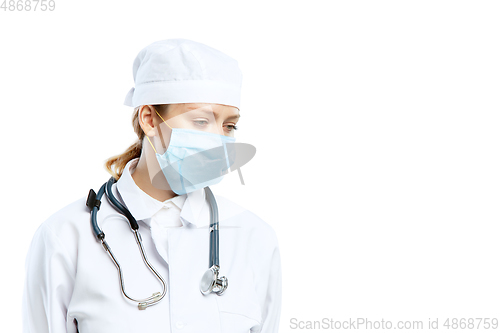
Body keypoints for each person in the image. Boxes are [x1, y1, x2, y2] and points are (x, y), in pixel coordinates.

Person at [22, 38, 282, 333]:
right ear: (150, 119)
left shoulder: (254, 239)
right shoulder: (66, 237)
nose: (219, 140)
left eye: (229, 125)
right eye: (200, 121)